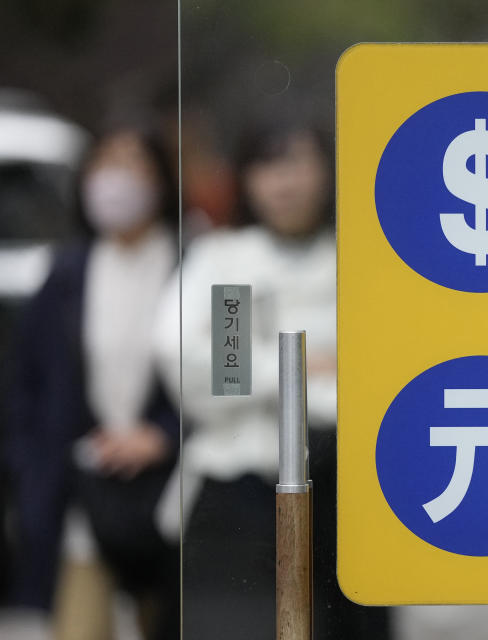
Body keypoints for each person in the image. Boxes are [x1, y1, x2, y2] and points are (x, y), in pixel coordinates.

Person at [154, 114, 390, 640]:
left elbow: (385, 364)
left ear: (327, 170)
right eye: (267, 166)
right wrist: (301, 367)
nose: (284, 183)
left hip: (350, 484)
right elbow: (204, 363)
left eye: (297, 164)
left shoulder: (361, 254)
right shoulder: (230, 260)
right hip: (246, 485)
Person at [4, 122, 180, 640]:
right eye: (105, 164)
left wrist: (166, 436)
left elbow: (227, 376)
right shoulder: (66, 271)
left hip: (172, 497)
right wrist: (31, 469)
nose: (116, 180)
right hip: (85, 493)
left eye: (133, 164)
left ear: (162, 180)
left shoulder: (205, 265)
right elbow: (26, 384)